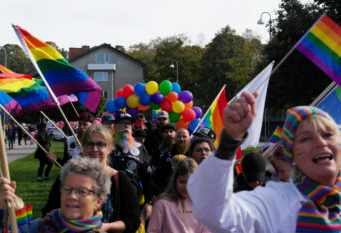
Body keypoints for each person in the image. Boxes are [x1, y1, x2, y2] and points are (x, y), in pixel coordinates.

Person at [188, 91, 341, 233]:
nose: (321, 143)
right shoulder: (276, 202)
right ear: (291, 155)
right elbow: (214, 212)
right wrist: (229, 142)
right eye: (306, 139)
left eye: (328, 134)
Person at [0, 157, 111, 232]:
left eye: (82, 191)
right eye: (67, 189)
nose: (72, 196)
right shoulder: (38, 227)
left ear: (98, 201)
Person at [148, 158, 211, 233]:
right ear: (175, 181)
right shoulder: (162, 204)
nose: (186, 186)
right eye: (182, 182)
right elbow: (153, 230)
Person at [110, 113, 153, 220]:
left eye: (128, 124)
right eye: (122, 123)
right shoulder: (105, 145)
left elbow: (147, 178)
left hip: (132, 199)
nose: (126, 126)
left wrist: (148, 202)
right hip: (108, 199)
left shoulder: (140, 148)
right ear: (114, 126)